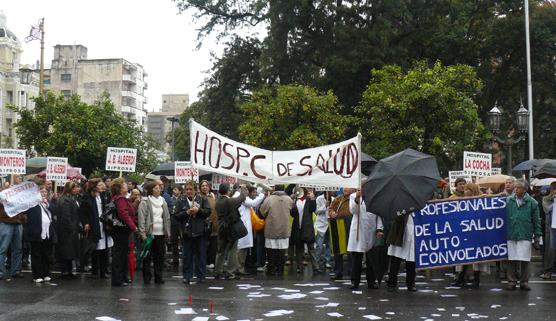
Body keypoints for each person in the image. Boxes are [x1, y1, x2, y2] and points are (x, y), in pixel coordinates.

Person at [505, 179, 542, 291]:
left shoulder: (532, 202)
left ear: (525, 189)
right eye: (515, 187)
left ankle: (524, 282)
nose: (515, 189)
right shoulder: (508, 200)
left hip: (525, 233)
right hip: (511, 233)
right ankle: (511, 281)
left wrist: (537, 236)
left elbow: (536, 221)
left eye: (518, 188)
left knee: (525, 259)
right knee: (511, 259)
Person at [451, 183, 489, 288]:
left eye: (467, 190)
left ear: (472, 191)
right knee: (464, 257)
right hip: (465, 234)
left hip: (477, 234)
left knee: (477, 258)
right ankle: (461, 278)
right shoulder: (462, 202)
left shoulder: (481, 202)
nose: (465, 191)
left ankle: (476, 280)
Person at [175, 180, 211, 284]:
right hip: (187, 233)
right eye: (187, 189)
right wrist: (186, 212)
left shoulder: (202, 199)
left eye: (191, 189)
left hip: (200, 232)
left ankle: (201, 276)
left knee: (201, 255)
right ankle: (187, 276)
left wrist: (198, 210)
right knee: (187, 256)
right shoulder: (180, 201)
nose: (189, 191)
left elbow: (208, 212)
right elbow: (176, 216)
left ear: (195, 190)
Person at [348, 189, 384, 290]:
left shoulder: (375, 196)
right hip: (358, 231)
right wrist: (356, 199)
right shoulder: (353, 196)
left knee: (371, 259)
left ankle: (371, 282)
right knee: (357, 259)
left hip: (370, 230)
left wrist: (379, 228)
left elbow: (378, 214)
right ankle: (355, 282)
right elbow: (353, 211)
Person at [138, 181, 171, 284]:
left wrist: (167, 232)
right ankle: (147, 277)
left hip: (160, 232)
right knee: (147, 257)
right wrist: (142, 232)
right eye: (156, 188)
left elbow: (167, 217)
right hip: (149, 234)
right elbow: (141, 218)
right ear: (151, 190)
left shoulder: (163, 201)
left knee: (160, 256)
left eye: (160, 188)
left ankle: (158, 276)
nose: (159, 189)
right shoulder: (145, 201)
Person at [24, 185, 57, 283]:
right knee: (36, 255)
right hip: (36, 234)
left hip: (47, 233)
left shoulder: (47, 203)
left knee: (46, 255)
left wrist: (48, 204)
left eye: (45, 192)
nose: (44, 193)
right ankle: (37, 275)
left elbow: (56, 210)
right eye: (41, 192)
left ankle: (46, 273)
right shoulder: (32, 204)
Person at [260, 185, 294, 276]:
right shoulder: (289, 199)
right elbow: (293, 211)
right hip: (284, 228)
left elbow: (262, 212)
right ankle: (280, 269)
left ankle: (271, 268)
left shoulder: (269, 199)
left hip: (271, 228)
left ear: (275, 189)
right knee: (282, 249)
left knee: (271, 249)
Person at [214, 183, 246, 279]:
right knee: (232, 250)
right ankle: (230, 272)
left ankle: (218, 271)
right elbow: (242, 198)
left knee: (221, 251)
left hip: (221, 228)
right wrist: (243, 189)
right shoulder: (229, 201)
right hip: (230, 228)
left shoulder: (218, 201)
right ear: (228, 191)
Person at [111, 178, 138, 287]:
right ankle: (118, 279)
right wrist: (133, 227)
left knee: (122, 254)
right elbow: (124, 214)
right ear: (120, 188)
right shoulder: (121, 199)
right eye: (124, 184)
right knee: (120, 255)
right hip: (121, 230)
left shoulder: (120, 198)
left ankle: (122, 277)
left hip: (121, 230)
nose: (126, 185)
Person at [290, 187, 320, 275]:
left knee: (311, 248)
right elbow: (292, 214)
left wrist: (313, 198)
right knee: (299, 249)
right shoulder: (296, 200)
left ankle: (316, 267)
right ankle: (300, 267)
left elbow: (313, 209)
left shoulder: (309, 200)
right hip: (297, 227)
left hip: (307, 228)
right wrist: (293, 202)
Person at [237, 185, 266, 275]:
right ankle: (239, 269)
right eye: (244, 189)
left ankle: (240, 268)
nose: (246, 191)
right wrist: (261, 195)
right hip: (242, 227)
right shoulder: (240, 197)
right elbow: (253, 203)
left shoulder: (240, 196)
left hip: (243, 226)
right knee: (240, 249)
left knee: (242, 249)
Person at [0, 189, 27, 281]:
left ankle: (16, 271)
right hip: (6, 222)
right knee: (3, 248)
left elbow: (23, 209)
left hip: (17, 223)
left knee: (18, 249)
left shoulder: (18, 198)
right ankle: (0, 272)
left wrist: (22, 218)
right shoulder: (2, 196)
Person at [56, 181, 81, 279]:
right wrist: (71, 228)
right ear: (70, 189)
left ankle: (69, 271)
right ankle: (65, 271)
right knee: (66, 251)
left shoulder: (72, 198)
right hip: (66, 230)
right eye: (74, 188)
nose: (76, 190)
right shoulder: (65, 200)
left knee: (71, 251)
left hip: (71, 229)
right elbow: (66, 216)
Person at [387, 210, 416, 292]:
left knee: (411, 261)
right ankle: (391, 284)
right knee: (395, 260)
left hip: (413, 235)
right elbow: (396, 218)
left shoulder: (418, 207)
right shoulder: (400, 205)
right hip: (399, 235)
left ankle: (411, 284)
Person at [328, 188, 354, 280]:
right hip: (338, 225)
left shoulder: (354, 198)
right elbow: (330, 209)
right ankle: (338, 272)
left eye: (348, 187)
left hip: (350, 225)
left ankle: (352, 271)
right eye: (344, 187)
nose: (345, 188)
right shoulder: (338, 199)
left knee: (351, 249)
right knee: (338, 250)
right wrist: (332, 213)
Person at [199, 180, 218, 269]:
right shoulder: (198, 197)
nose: (205, 187)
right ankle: (204, 262)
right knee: (204, 245)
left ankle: (211, 262)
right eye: (203, 186)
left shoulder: (212, 197)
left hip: (213, 225)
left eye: (206, 185)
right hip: (203, 226)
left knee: (213, 245)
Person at [541, 182, 556, 280]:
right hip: (552, 227)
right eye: (553, 188)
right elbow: (547, 209)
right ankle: (548, 271)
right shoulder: (546, 199)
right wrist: (553, 198)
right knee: (550, 251)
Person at [315, 191, 333, 272]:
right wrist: (324, 206)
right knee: (319, 244)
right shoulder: (319, 198)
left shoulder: (334, 199)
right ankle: (316, 262)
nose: (334, 191)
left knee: (328, 244)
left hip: (330, 224)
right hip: (321, 225)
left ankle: (327, 261)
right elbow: (316, 211)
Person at [170, 185, 183, 266]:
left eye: (175, 189)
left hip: (181, 224)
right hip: (173, 223)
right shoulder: (171, 199)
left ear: (180, 191)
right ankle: (175, 259)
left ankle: (185, 258)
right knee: (174, 242)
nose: (173, 191)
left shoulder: (183, 199)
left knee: (183, 242)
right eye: (173, 189)